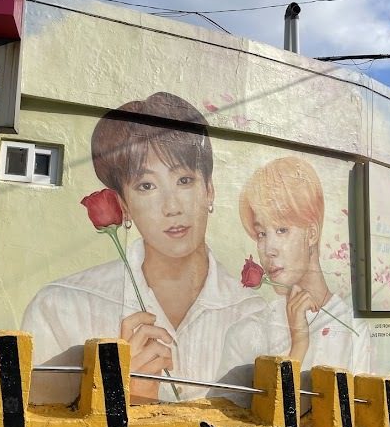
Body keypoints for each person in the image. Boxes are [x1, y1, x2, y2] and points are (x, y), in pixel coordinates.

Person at [23, 92, 264, 405]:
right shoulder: (61, 307)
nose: (172, 206)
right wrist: (126, 396)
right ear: (124, 204)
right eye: (146, 186)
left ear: (210, 190)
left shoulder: (253, 314)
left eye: (184, 180)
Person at [216, 156, 370, 405]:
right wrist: (298, 345)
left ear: (312, 233)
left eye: (282, 230)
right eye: (261, 233)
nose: (268, 249)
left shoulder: (352, 330)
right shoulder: (246, 333)